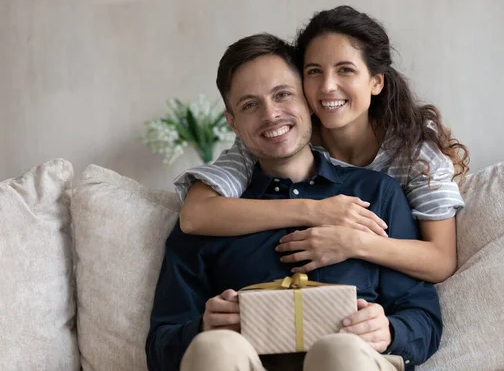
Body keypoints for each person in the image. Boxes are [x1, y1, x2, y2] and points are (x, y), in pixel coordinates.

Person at [146, 34, 442, 371]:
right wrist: (202, 328)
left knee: (339, 352)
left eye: (283, 95)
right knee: (215, 348)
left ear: (308, 101)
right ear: (232, 122)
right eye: (249, 105)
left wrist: (389, 330)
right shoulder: (211, 212)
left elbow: (424, 317)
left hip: (350, 363)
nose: (271, 115)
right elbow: (159, 345)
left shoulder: (377, 194)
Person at [175, 5, 470, 284]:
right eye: (314, 71)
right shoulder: (286, 138)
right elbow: (195, 215)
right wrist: (315, 210)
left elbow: (442, 260)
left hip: (381, 284)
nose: (328, 86)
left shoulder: (414, 149)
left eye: (345, 70)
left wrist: (353, 242)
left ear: (376, 82)